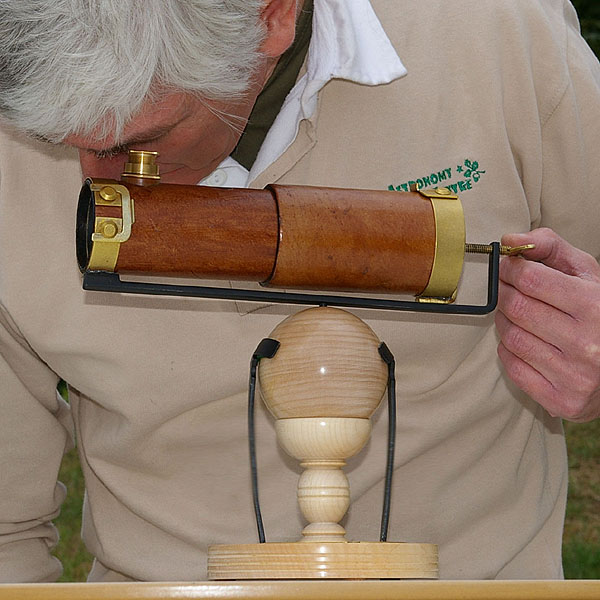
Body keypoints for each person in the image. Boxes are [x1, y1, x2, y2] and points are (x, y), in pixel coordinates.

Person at [0, 0, 599, 583]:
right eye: (61, 139)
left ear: (273, 15)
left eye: (138, 142)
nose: (100, 185)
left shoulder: (499, 35)